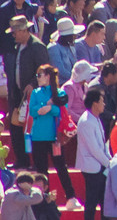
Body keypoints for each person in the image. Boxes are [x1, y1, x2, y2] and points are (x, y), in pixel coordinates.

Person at [29, 64, 79, 209]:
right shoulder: (36, 93)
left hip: (54, 137)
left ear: (48, 76)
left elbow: (61, 110)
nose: (38, 78)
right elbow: (33, 111)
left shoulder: (59, 92)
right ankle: (44, 199)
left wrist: (50, 108)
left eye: (40, 75)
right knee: (41, 169)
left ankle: (71, 196)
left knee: (60, 167)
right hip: (38, 137)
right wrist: (45, 105)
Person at [4, 15, 50, 169]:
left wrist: (33, 83)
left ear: (24, 30)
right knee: (16, 126)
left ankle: (37, 163)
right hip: (17, 93)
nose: (13, 35)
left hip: (33, 95)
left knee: (33, 128)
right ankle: (21, 160)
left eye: (15, 32)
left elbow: (45, 70)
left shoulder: (37, 47)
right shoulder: (18, 47)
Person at [77, 89, 114, 220]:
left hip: (101, 166)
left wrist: (108, 160)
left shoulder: (96, 119)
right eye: (101, 101)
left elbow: (102, 145)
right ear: (94, 103)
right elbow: (94, 149)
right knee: (91, 203)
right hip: (92, 168)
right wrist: (109, 163)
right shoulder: (86, 121)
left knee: (105, 202)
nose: (104, 104)